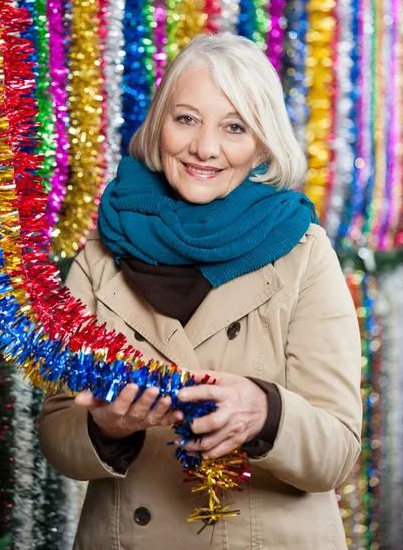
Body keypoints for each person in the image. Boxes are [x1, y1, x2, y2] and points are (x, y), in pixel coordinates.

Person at [38, 32, 362, 550]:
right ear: (159, 123)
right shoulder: (102, 250)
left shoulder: (303, 250)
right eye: (186, 118)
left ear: (261, 143)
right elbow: (57, 434)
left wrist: (265, 412)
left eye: (234, 127)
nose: (205, 148)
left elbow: (337, 452)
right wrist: (106, 428)